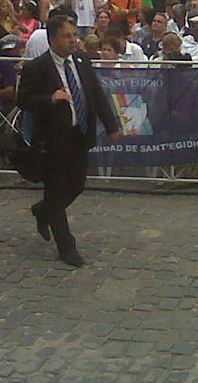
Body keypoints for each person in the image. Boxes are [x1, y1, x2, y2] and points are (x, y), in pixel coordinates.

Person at [15, 15, 120, 267]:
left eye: (74, 35)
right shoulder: (37, 67)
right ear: (53, 39)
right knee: (55, 187)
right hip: (53, 138)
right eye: (67, 36)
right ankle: (66, 246)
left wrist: (111, 124)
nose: (73, 40)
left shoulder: (82, 60)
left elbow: (95, 93)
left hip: (80, 133)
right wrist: (49, 99)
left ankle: (43, 210)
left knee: (76, 185)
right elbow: (23, 99)